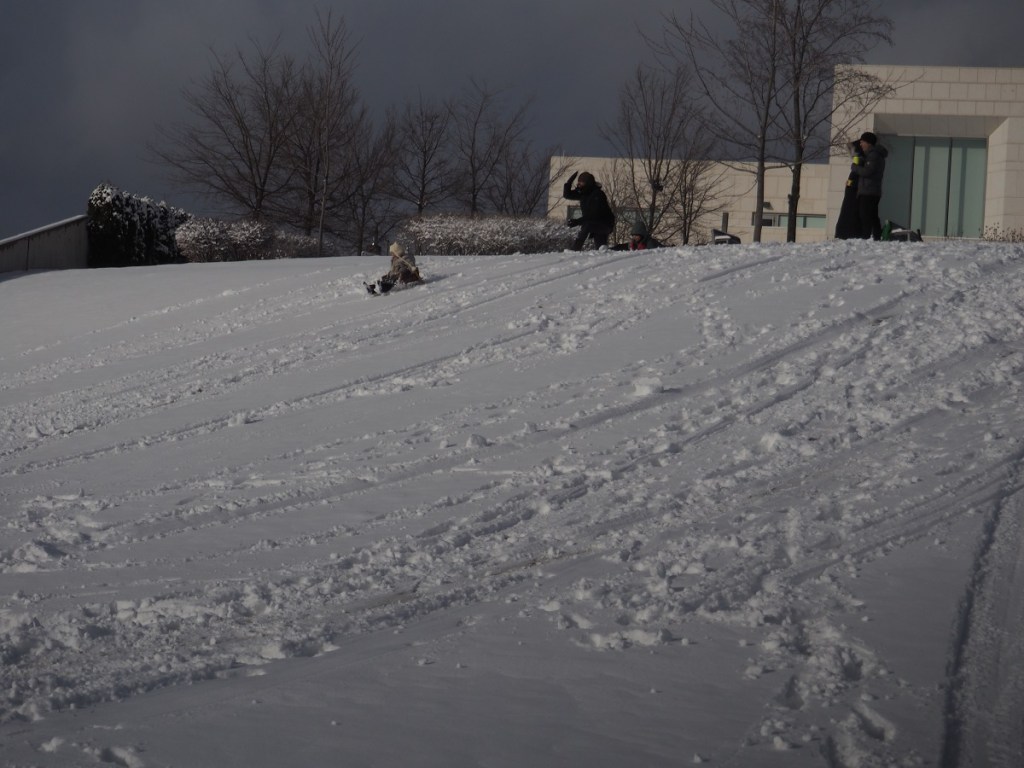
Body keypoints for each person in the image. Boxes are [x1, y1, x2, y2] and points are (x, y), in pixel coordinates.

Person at [563, 171, 616, 251]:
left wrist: (577, 221)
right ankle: (617, 249)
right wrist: (569, 182)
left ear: (588, 183)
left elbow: (594, 214)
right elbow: (567, 195)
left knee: (587, 225)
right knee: (601, 249)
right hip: (594, 224)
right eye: (578, 182)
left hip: (605, 223)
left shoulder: (598, 194)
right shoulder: (583, 193)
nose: (579, 184)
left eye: (581, 182)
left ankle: (575, 249)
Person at [851, 131, 888, 240]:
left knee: (865, 215)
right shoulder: (872, 155)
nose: (861, 144)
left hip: (869, 191)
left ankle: (866, 237)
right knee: (872, 215)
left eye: (862, 142)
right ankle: (876, 237)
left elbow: (868, 172)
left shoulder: (874, 155)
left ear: (869, 143)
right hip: (872, 190)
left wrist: (855, 167)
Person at [834, 140, 865, 239]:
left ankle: (847, 233)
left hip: (854, 196)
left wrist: (850, 184)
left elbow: (855, 174)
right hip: (852, 195)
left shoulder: (859, 162)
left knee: (850, 215)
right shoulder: (859, 162)